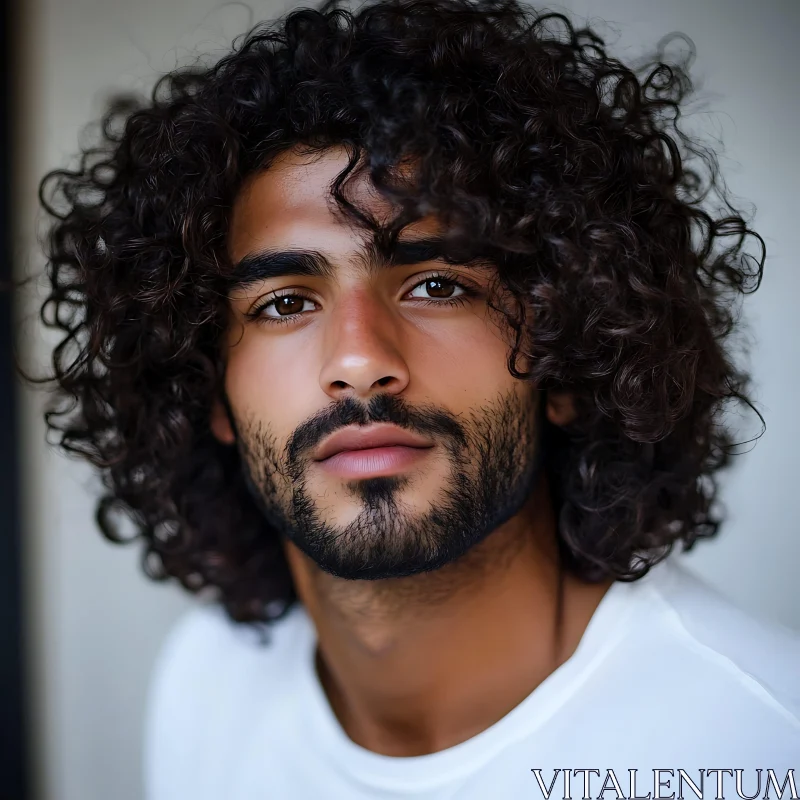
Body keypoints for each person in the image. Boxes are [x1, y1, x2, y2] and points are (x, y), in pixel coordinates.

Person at [32, 0, 799, 797]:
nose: (361, 361)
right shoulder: (205, 685)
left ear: (567, 359)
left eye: (437, 285)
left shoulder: (760, 739)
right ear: (210, 392)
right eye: (285, 303)